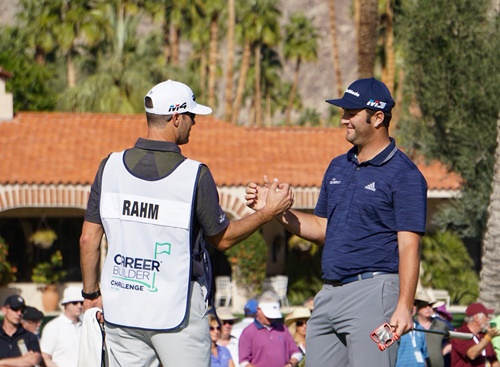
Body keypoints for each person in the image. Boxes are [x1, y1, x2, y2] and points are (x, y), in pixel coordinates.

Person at [79, 79, 294, 367]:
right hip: (176, 308)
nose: (195, 123)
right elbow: (224, 239)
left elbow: (88, 239)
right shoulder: (194, 174)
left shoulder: (109, 168)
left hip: (123, 308)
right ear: (176, 118)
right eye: (192, 117)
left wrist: (91, 294)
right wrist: (266, 214)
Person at [245, 77, 428, 367]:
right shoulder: (337, 166)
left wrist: (405, 306)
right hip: (329, 293)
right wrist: (274, 211)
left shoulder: (405, 175)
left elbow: (409, 246)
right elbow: (321, 228)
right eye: (343, 113)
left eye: (351, 113)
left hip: (375, 293)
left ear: (378, 117)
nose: (344, 120)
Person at [238, 291, 302, 367]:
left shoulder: (283, 329)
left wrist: (290, 364)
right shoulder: (248, 332)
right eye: (268, 316)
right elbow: (243, 362)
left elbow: (296, 353)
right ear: (258, 310)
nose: (271, 318)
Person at [40, 286, 83, 367]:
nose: (79, 306)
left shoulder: (86, 325)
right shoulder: (53, 327)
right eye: (75, 302)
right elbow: (45, 357)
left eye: (82, 303)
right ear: (65, 305)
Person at [451, 302, 500, 367]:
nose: (488, 319)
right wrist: (488, 337)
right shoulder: (460, 334)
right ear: (476, 317)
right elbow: (472, 354)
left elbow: (493, 359)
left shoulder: (483, 335)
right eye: (486, 316)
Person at [0, 295, 42, 367]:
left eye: (22, 310)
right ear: (4, 310)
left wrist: (2, 362)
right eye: (15, 309)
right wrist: (22, 360)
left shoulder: (30, 337)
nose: (19, 313)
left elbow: (33, 360)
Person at [414, 291, 450, 367]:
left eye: (430, 306)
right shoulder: (412, 325)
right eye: (424, 306)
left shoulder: (441, 325)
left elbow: (454, 341)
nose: (428, 308)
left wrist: (442, 352)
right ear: (418, 308)